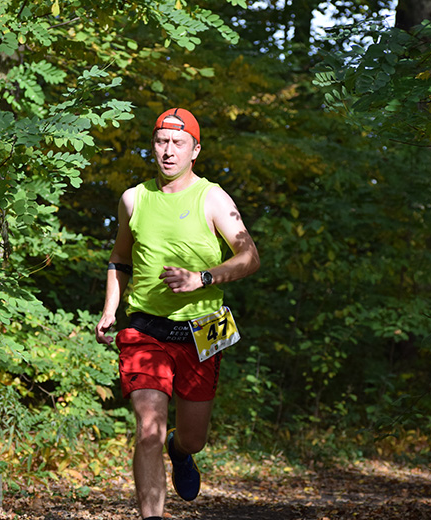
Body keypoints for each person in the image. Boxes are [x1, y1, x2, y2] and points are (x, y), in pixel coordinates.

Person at [94, 107, 260, 520]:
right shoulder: (134, 199)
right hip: (144, 329)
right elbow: (119, 259)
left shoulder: (213, 197)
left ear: (195, 150)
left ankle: (181, 451)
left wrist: (203, 278)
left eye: (178, 143)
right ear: (153, 146)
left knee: (193, 438)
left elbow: (250, 257)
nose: (168, 151)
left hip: (204, 328)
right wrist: (110, 308)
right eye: (161, 141)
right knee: (148, 430)